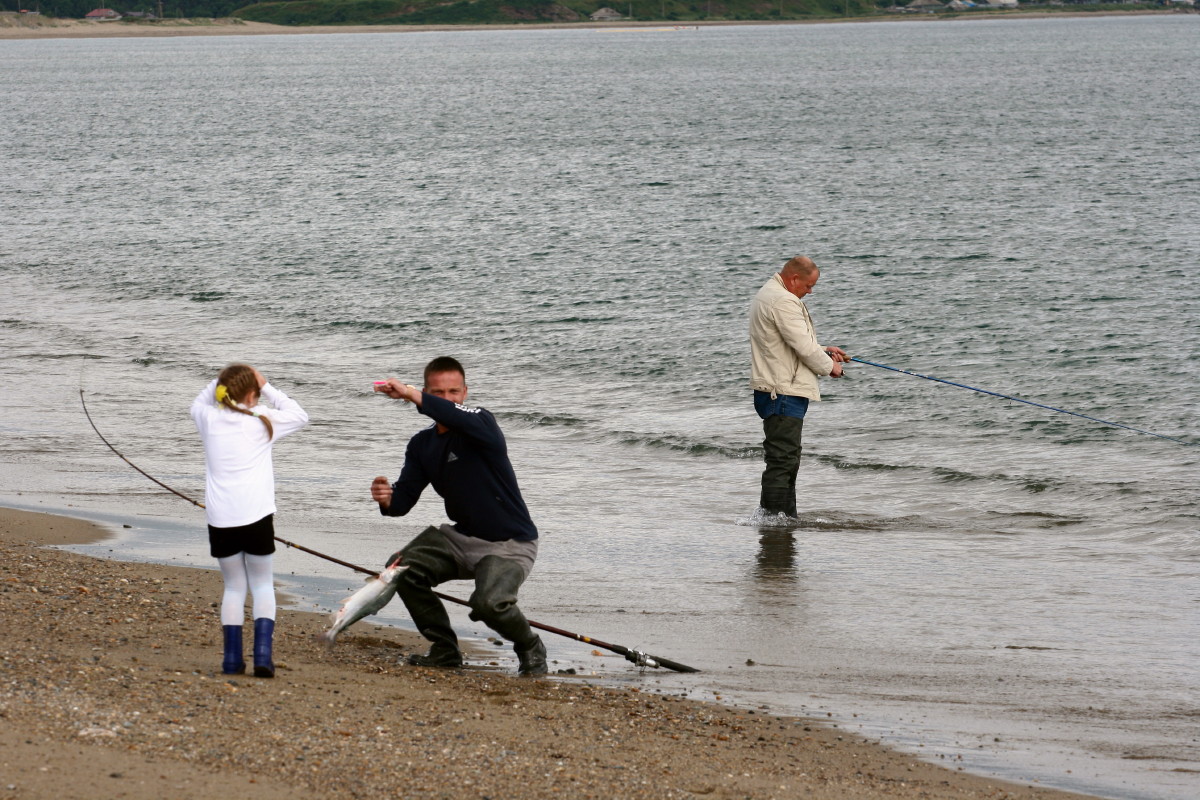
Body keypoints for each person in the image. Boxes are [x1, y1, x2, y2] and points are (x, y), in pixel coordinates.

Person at [369, 356, 546, 676]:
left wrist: (411, 394)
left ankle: (530, 646)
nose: (447, 399)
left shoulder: (482, 423)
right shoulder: (422, 444)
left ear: (465, 393)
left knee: (489, 604)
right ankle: (444, 650)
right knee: (400, 569)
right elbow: (402, 504)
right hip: (461, 538)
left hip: (510, 543)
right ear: (427, 391)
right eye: (437, 393)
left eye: (454, 392)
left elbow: (453, 415)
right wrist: (387, 498)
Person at [191, 364, 309, 678]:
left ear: (221, 391)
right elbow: (300, 414)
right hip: (257, 517)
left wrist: (222, 379)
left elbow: (198, 402)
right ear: (251, 394)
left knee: (233, 587)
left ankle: (231, 660)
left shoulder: (208, 419)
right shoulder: (262, 421)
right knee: (261, 584)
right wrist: (266, 385)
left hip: (221, 519)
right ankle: (262, 657)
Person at [749, 256, 848, 519]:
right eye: (809, 285)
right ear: (794, 279)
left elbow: (791, 342)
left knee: (786, 459)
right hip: (781, 391)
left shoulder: (771, 294)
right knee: (783, 461)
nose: (810, 291)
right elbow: (803, 346)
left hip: (778, 388)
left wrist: (825, 350)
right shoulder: (782, 300)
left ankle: (780, 518)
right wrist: (830, 367)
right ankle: (775, 521)